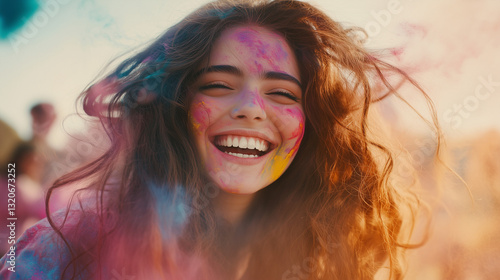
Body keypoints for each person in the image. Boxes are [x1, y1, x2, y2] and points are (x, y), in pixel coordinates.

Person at [0, 0, 439, 279]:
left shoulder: (327, 264)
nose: (250, 107)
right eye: (218, 84)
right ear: (176, 105)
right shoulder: (65, 250)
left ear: (313, 124)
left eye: (282, 93)